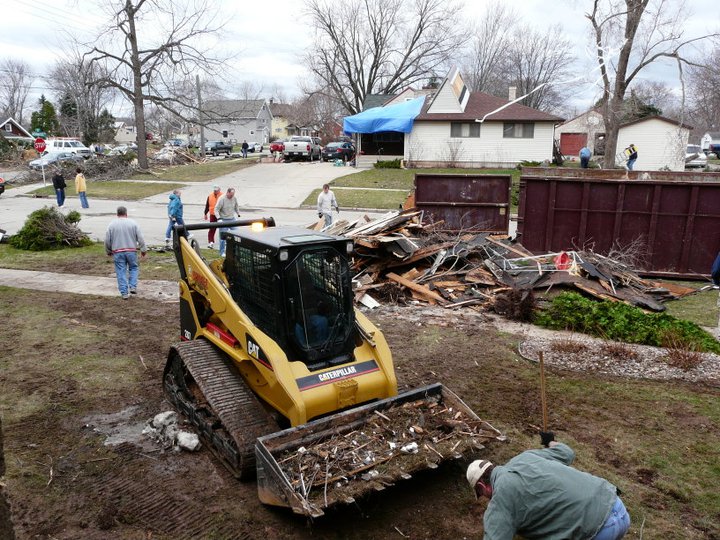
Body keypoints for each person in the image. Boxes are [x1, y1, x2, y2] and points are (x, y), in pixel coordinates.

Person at [467, 433, 630, 540]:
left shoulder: (501, 498)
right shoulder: (524, 457)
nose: (486, 499)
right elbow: (566, 453)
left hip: (598, 530)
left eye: (481, 495)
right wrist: (550, 441)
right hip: (615, 505)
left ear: (482, 486)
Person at [104, 206, 147, 300]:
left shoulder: (112, 224)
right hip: (131, 251)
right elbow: (140, 238)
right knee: (134, 268)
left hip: (117, 252)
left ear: (117, 214)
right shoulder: (133, 223)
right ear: (126, 213)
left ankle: (124, 293)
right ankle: (132, 286)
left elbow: (107, 239)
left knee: (121, 271)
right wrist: (143, 249)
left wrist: (108, 250)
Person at [214, 187, 241, 257]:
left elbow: (236, 206)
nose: (232, 196)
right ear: (227, 192)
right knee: (223, 237)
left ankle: (237, 251)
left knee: (237, 234)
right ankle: (222, 252)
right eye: (231, 195)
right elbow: (216, 209)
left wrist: (238, 213)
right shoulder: (222, 199)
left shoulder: (234, 198)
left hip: (232, 219)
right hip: (223, 219)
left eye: (233, 195)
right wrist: (219, 218)